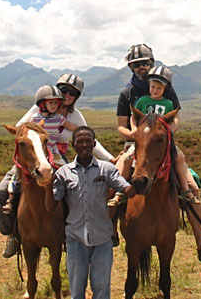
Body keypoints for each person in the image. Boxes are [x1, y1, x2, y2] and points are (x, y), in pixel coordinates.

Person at [115, 44, 201, 262]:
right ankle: (110, 230)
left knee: (192, 186)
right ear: (131, 67)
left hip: (164, 145)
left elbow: (174, 118)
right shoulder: (127, 93)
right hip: (137, 143)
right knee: (117, 176)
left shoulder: (166, 89)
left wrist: (166, 133)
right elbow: (121, 125)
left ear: (152, 64)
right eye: (137, 64)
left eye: (145, 63)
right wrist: (135, 135)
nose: (142, 67)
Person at [0, 73, 115, 258]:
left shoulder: (75, 116)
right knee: (2, 191)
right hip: (31, 158)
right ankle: (14, 235)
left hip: (58, 159)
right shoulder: (39, 109)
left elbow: (90, 138)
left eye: (72, 93)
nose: (67, 95)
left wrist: (109, 158)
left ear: (77, 97)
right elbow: (20, 127)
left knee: (76, 192)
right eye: (64, 90)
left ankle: (71, 234)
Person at [52, 126, 135, 299]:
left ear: (94, 143)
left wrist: (137, 184)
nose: (84, 145)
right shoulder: (63, 173)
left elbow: (124, 187)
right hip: (75, 239)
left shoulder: (107, 169)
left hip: (102, 239)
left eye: (88, 141)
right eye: (80, 141)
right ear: (74, 145)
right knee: (76, 291)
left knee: (102, 290)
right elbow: (53, 201)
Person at [109, 65, 196, 206]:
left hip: (162, 141)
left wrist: (168, 134)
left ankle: (185, 189)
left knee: (179, 157)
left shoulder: (168, 103)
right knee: (127, 160)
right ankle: (121, 191)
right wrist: (135, 131)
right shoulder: (142, 101)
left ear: (165, 89)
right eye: (153, 87)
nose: (155, 91)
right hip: (142, 140)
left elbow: (173, 120)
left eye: (159, 88)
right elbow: (133, 117)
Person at [1, 85, 78, 214]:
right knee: (15, 177)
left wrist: (84, 130)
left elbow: (71, 126)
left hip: (54, 154)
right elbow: (25, 131)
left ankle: (73, 208)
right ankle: (11, 199)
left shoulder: (59, 118)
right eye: (51, 103)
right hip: (37, 153)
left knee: (70, 177)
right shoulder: (35, 119)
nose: (54, 106)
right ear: (42, 104)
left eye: (56, 103)